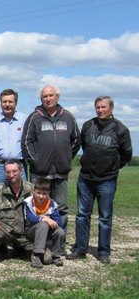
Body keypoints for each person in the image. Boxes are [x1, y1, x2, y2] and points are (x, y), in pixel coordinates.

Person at [68, 96, 132, 264]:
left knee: (105, 217)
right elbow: (81, 147)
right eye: (97, 107)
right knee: (82, 215)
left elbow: (126, 154)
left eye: (103, 107)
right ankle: (80, 249)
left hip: (106, 180)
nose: (100, 110)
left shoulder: (120, 129)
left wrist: (113, 167)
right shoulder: (88, 125)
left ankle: (103, 252)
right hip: (86, 178)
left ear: (111, 109)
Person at [21, 84, 81, 254]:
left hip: (61, 172)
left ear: (57, 97)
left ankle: (58, 245)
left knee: (60, 208)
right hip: (40, 173)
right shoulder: (34, 117)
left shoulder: (68, 117)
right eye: (45, 96)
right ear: (41, 99)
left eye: (51, 95)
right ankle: (38, 244)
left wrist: (66, 157)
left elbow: (76, 140)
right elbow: (26, 142)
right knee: (37, 207)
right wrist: (37, 161)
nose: (48, 99)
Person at [0, 159, 34, 259]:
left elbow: (46, 209)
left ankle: (21, 249)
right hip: (6, 231)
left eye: (14, 171)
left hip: (26, 234)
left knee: (46, 258)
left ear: (20, 171)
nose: (11, 175)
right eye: (8, 172)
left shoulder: (32, 190)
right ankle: (1, 249)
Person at [0, 89, 27, 186]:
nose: (7, 104)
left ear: (16, 103)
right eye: (4, 101)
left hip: (19, 166)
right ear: (0, 103)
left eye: (10, 101)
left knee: (22, 197)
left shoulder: (25, 120)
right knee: (0, 198)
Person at [23, 178, 65, 268]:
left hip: (46, 232)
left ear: (48, 193)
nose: (41, 196)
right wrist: (45, 219)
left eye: (44, 194)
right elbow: (30, 218)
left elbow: (59, 222)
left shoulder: (52, 204)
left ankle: (56, 256)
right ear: (34, 191)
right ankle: (36, 255)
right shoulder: (28, 202)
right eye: (38, 193)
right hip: (31, 231)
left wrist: (51, 221)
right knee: (43, 224)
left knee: (60, 231)